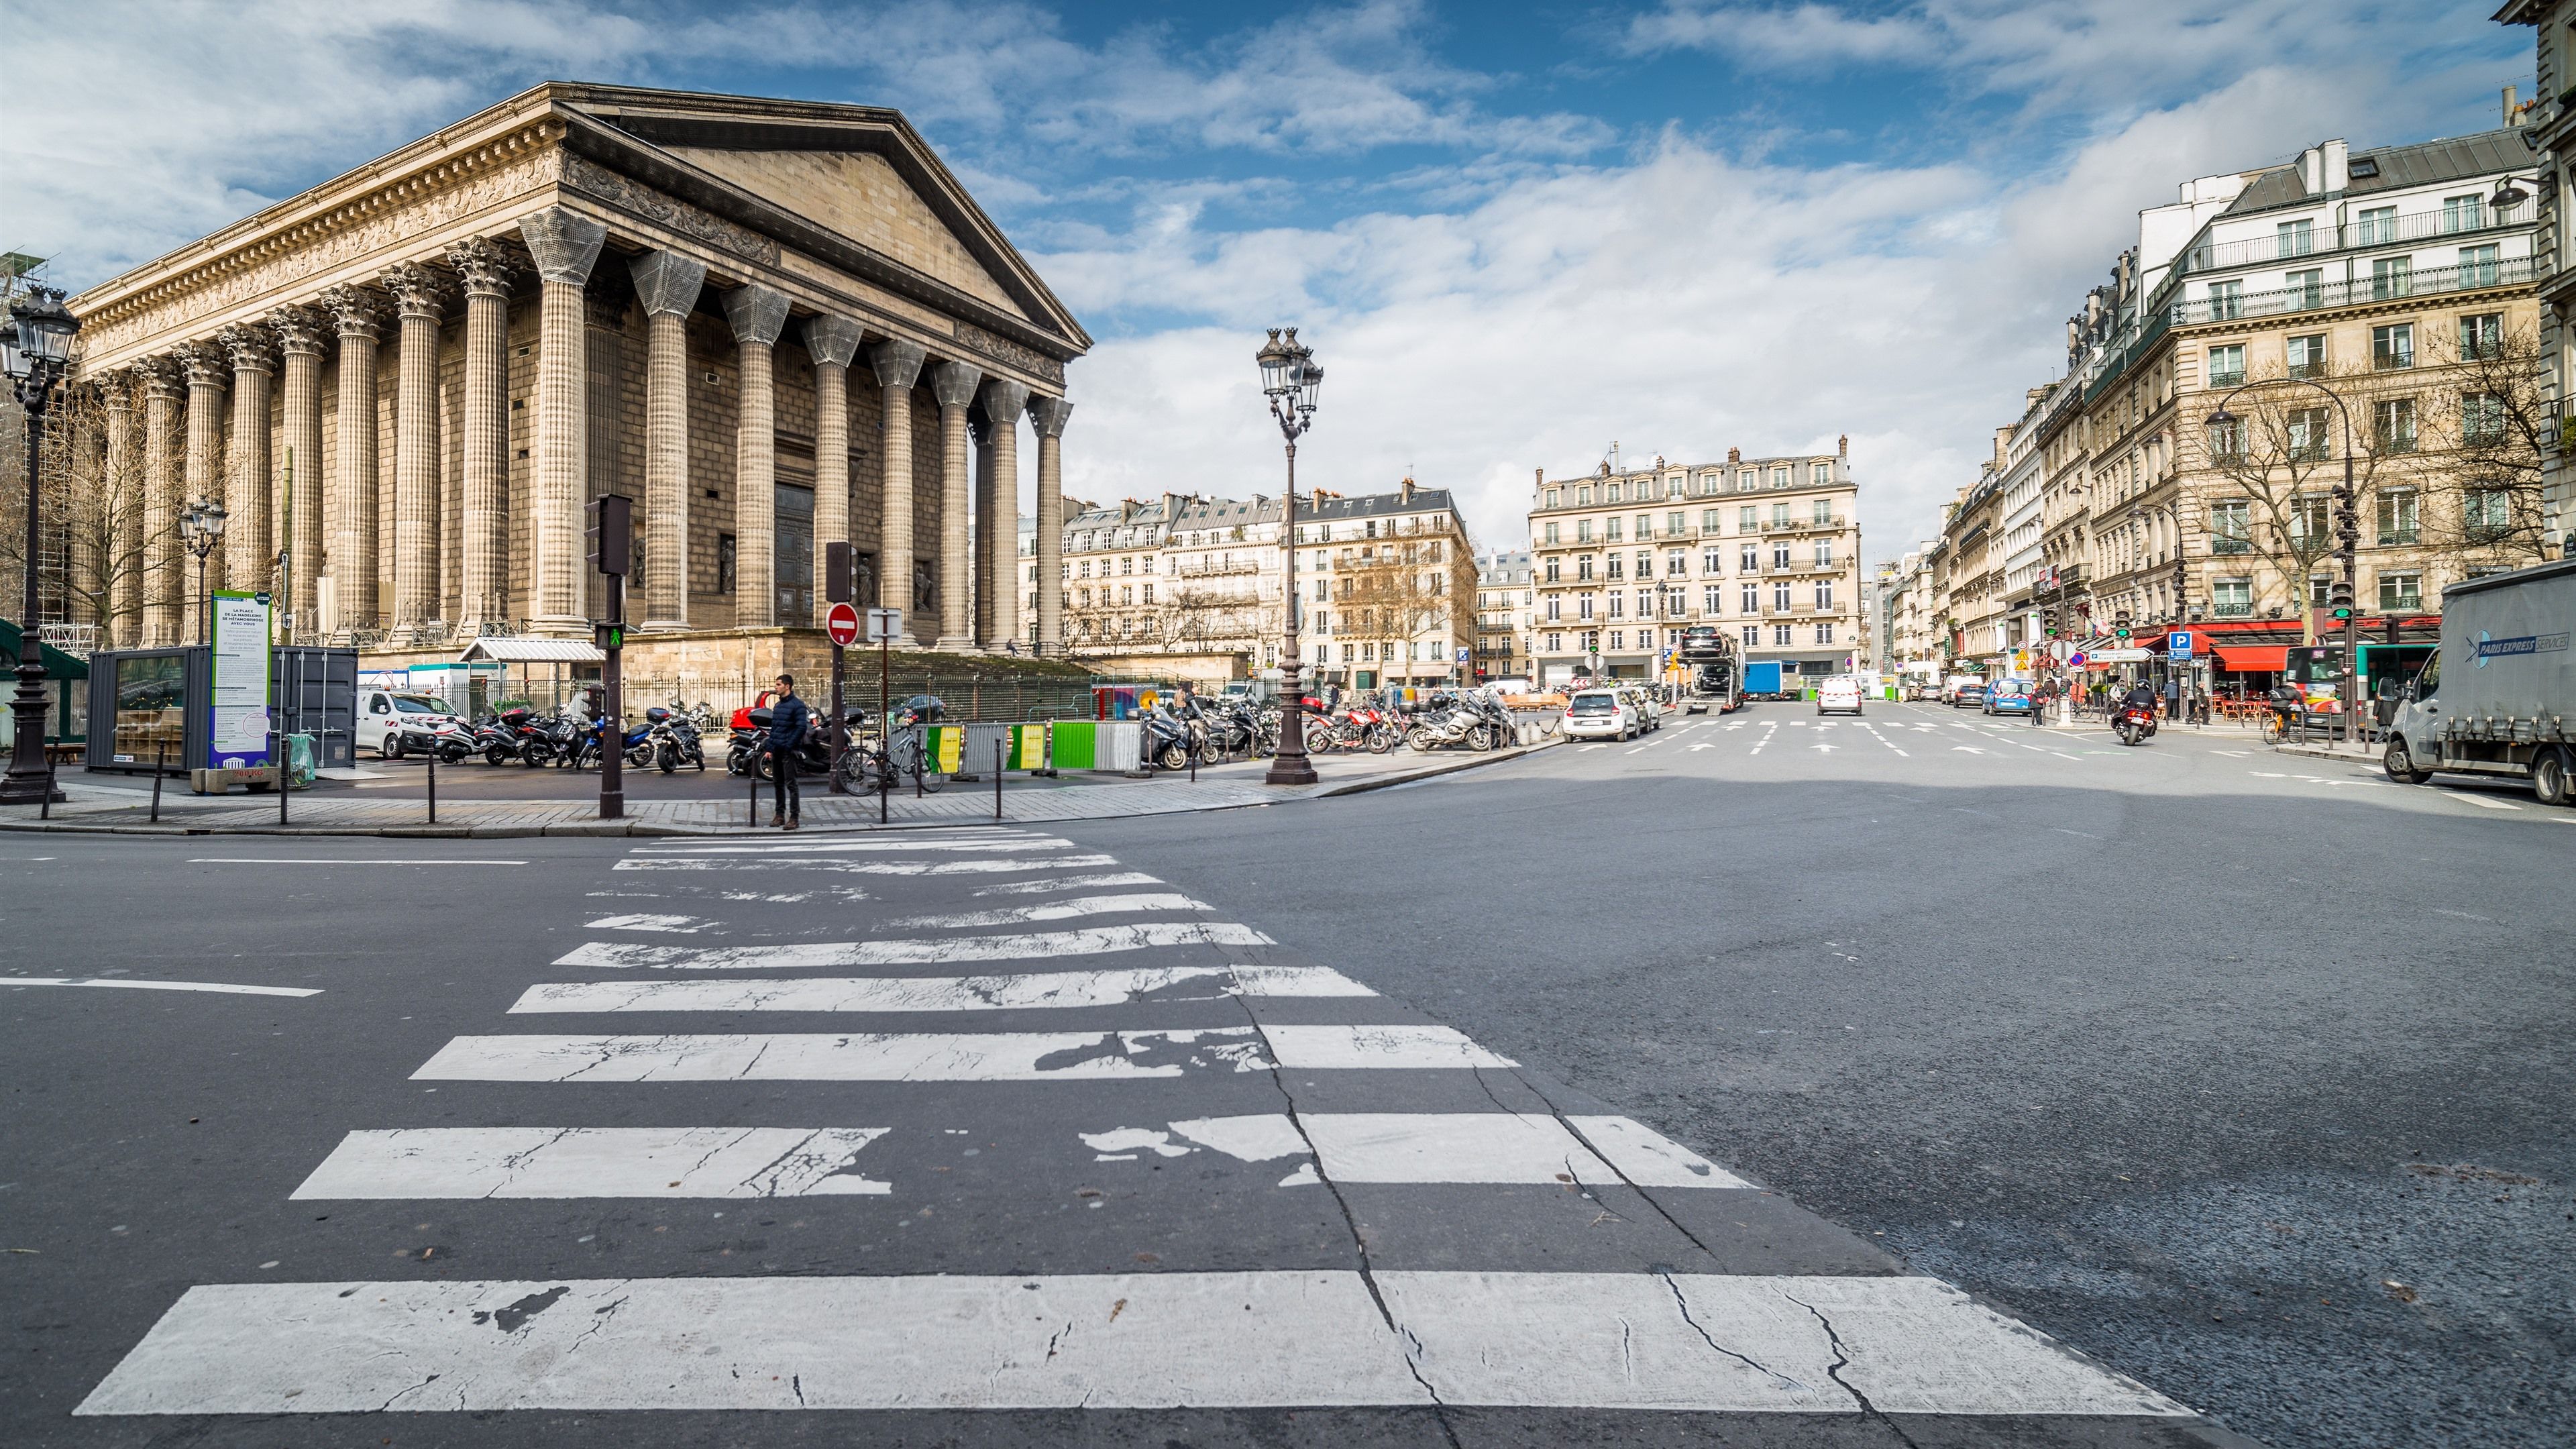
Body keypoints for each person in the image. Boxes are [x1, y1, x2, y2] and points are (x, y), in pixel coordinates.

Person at [765, 673, 810, 830]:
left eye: (778, 684)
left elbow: (801, 727)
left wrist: (790, 745)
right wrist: (770, 748)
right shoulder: (778, 706)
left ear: (787, 686)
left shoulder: (798, 705)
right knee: (778, 783)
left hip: (788, 750)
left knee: (791, 784)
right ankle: (779, 815)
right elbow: (775, 728)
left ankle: (794, 817)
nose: (776, 687)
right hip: (777, 748)